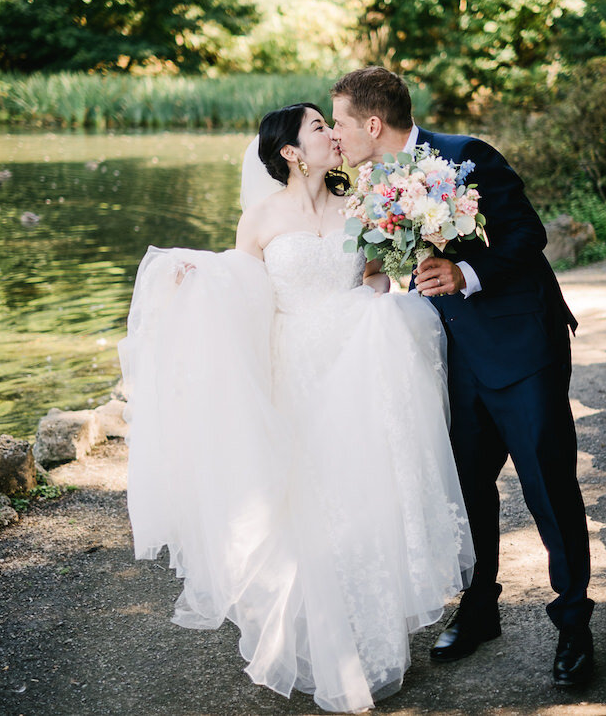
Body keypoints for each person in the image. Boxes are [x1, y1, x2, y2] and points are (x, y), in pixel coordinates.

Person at [120, 102, 474, 713]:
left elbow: (370, 279)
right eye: (318, 127)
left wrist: (384, 304)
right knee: (308, 507)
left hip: (357, 367)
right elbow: (243, 290)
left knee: (363, 499)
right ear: (289, 151)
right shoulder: (258, 220)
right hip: (298, 372)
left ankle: (371, 641)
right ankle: (320, 647)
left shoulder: (362, 205)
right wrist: (194, 280)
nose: (332, 135)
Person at [329, 65, 593, 688]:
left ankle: (576, 624)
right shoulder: (369, 183)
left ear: (373, 123)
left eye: (339, 121)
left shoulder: (464, 156)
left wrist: (466, 274)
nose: (335, 134)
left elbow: (529, 234)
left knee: (548, 486)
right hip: (447, 359)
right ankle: (479, 609)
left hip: (519, 346)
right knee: (466, 487)